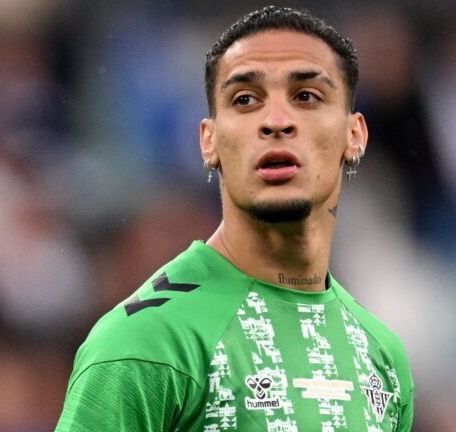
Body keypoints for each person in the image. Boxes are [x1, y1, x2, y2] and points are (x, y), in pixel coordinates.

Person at [55, 6, 414, 431]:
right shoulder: (146, 342)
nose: (276, 121)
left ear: (354, 135)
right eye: (245, 100)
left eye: (306, 96)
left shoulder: (381, 356)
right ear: (208, 141)